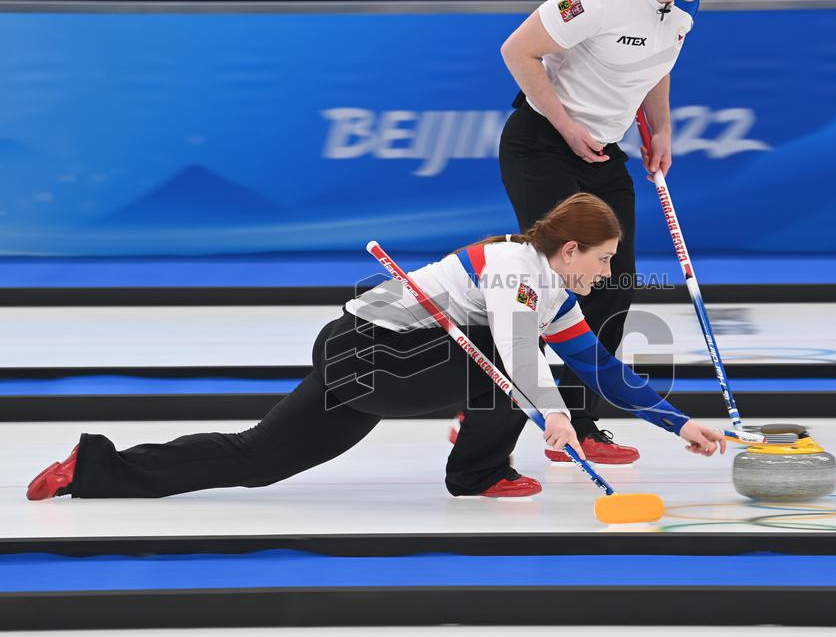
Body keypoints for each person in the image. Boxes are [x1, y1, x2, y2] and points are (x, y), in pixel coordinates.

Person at [27, 195, 726, 503]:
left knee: (258, 459)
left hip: (379, 364)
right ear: (569, 247)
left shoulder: (556, 294)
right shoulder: (514, 264)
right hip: (367, 353)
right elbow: (515, 350)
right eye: (602, 259)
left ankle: (92, 469)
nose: (605, 273)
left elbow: (602, 370)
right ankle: (478, 468)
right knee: (509, 363)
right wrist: (551, 414)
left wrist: (680, 421)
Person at [494, 0, 730, 466]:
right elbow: (518, 50)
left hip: (601, 153)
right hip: (543, 145)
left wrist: (662, 130)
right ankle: (486, 417)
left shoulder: (678, 16)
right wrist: (565, 123)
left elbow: (657, 71)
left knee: (611, 285)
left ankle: (580, 422)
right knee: (546, 285)